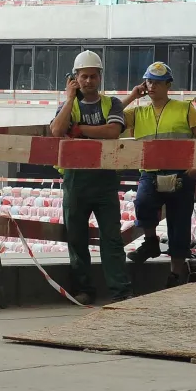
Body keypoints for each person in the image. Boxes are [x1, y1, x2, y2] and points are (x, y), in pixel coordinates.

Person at [47, 50, 132, 306]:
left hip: (104, 180)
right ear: (75, 78)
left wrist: (79, 129)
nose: (88, 81)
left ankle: (120, 290)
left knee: (112, 238)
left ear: (100, 77)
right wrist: (69, 98)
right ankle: (84, 289)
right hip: (76, 181)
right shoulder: (69, 106)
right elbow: (56, 130)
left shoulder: (112, 104)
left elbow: (113, 131)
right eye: (83, 76)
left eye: (93, 76)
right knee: (76, 238)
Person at [123, 62, 196, 288]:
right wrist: (133, 96)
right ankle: (151, 242)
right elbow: (111, 118)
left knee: (179, 224)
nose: (152, 86)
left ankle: (176, 274)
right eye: (149, 82)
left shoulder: (185, 109)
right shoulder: (137, 112)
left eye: (157, 82)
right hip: (150, 173)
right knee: (143, 203)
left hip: (181, 173)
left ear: (168, 85)